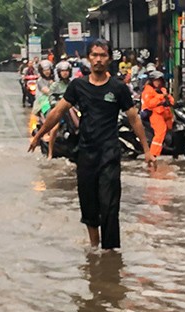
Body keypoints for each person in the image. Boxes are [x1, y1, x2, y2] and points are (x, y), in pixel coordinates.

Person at [28, 38, 152, 251]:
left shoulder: (118, 88)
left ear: (109, 58)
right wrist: (39, 135)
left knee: (110, 204)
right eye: (94, 55)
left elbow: (134, 119)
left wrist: (147, 151)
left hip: (110, 153)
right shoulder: (78, 86)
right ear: (88, 59)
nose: (98, 60)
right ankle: (94, 248)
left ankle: (110, 251)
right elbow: (58, 111)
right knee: (89, 204)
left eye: (103, 55)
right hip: (86, 153)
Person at [141, 70, 175, 160]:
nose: (158, 82)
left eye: (159, 80)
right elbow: (150, 103)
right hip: (154, 114)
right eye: (156, 80)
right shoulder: (148, 90)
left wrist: (170, 100)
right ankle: (153, 154)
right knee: (161, 131)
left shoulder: (162, 89)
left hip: (165, 114)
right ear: (152, 81)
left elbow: (170, 99)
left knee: (172, 128)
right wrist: (161, 97)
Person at [47, 60, 74, 160]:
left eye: (67, 71)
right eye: (62, 71)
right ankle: (50, 153)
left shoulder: (73, 84)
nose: (65, 73)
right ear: (59, 73)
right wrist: (58, 105)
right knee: (54, 129)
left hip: (72, 110)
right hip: (58, 111)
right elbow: (51, 98)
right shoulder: (55, 85)